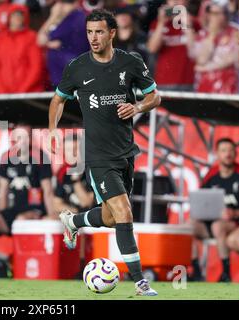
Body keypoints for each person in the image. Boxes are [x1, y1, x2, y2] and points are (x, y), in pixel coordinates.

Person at [48, 9, 161, 296]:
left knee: (112, 218)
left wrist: (137, 107)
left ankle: (73, 221)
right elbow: (58, 100)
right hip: (97, 156)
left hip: (125, 152)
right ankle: (139, 281)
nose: (93, 38)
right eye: (89, 32)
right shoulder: (77, 67)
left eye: (99, 32)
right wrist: (51, 130)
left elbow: (154, 96)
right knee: (124, 212)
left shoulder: (131, 62)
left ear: (112, 33)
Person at [0, 123, 57, 267]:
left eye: (26, 136)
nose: (22, 141)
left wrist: (51, 216)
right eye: (19, 137)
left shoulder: (40, 157)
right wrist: (2, 214)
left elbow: (48, 191)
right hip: (15, 211)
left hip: (35, 210)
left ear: (31, 138)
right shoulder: (6, 158)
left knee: (21, 220)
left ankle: (24, 265)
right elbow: (3, 191)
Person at [190, 138, 239, 282]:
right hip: (216, 221)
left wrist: (234, 213)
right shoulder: (211, 174)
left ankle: (226, 274)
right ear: (217, 154)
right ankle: (195, 270)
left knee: (219, 227)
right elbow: (201, 199)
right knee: (189, 227)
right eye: (224, 150)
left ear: (236, 153)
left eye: (231, 150)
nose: (228, 154)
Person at [186, 1, 239, 94]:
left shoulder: (235, 32)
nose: (213, 17)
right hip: (205, 87)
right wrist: (212, 35)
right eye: (211, 13)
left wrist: (205, 69)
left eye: (216, 13)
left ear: (225, 15)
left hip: (227, 88)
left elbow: (233, 59)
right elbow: (202, 60)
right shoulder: (203, 34)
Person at [0, 4, 45, 93]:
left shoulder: (31, 37)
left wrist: (22, 91)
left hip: (29, 93)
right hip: (4, 94)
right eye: (14, 15)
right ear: (9, 18)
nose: (18, 17)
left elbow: (36, 67)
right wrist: (1, 91)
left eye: (21, 15)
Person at [147, 0, 199, 91]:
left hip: (188, 82)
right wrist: (161, 23)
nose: (175, 2)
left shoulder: (195, 23)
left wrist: (186, 24)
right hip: (163, 81)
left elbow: (195, 51)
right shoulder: (157, 23)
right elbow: (152, 49)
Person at [37, 0, 90, 87]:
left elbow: (42, 40)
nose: (61, 7)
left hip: (71, 76)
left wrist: (53, 16)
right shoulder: (63, 20)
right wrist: (53, 17)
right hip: (62, 76)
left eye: (65, 3)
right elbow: (41, 41)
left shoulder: (77, 18)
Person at [54, 134, 94, 214]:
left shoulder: (92, 171)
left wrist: (76, 181)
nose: (73, 153)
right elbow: (57, 205)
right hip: (73, 216)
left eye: (76, 149)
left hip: (92, 220)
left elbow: (86, 203)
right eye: (68, 150)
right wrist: (75, 213)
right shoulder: (63, 172)